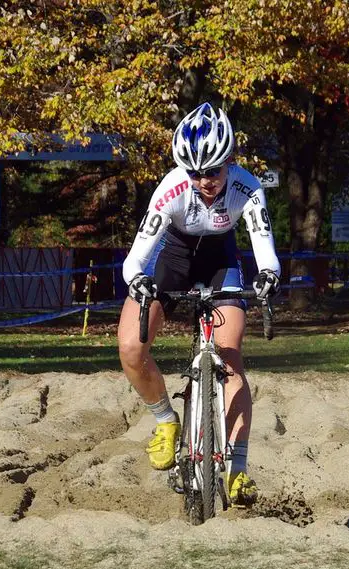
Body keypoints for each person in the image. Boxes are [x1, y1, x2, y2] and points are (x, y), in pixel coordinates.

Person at [117, 102, 281, 507]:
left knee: (231, 357)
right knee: (131, 348)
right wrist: (138, 282)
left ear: (230, 161)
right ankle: (166, 422)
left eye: (213, 170)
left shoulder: (248, 187)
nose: (204, 180)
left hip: (220, 262)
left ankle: (238, 470)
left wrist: (269, 275)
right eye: (194, 172)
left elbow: (265, 248)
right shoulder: (170, 190)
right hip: (171, 257)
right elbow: (135, 259)